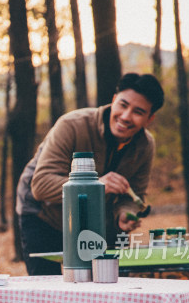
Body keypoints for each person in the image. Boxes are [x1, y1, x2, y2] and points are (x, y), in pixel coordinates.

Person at [15, 72, 165, 275]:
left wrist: (123, 214)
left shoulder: (145, 146)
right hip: (44, 215)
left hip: (96, 223)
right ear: (113, 100)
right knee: (49, 289)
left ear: (150, 118)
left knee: (112, 283)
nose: (126, 116)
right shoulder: (72, 125)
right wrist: (96, 187)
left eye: (138, 112)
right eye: (123, 105)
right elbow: (41, 185)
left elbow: (134, 192)